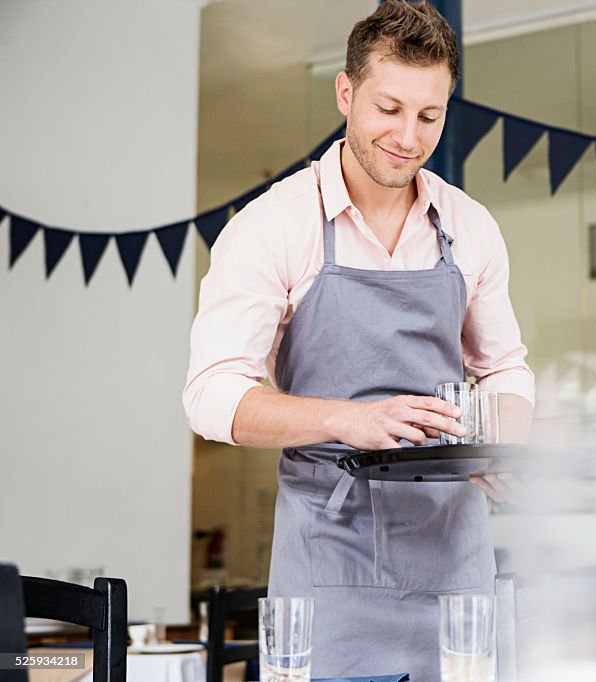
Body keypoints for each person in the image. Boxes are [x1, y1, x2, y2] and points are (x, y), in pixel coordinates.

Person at [182, 2, 534, 679]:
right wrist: (351, 419)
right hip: (330, 559)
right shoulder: (274, 226)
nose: (408, 136)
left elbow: (504, 370)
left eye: (430, 116)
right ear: (346, 93)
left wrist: (504, 440)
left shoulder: (471, 227)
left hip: (455, 558)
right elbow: (212, 395)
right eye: (388, 109)